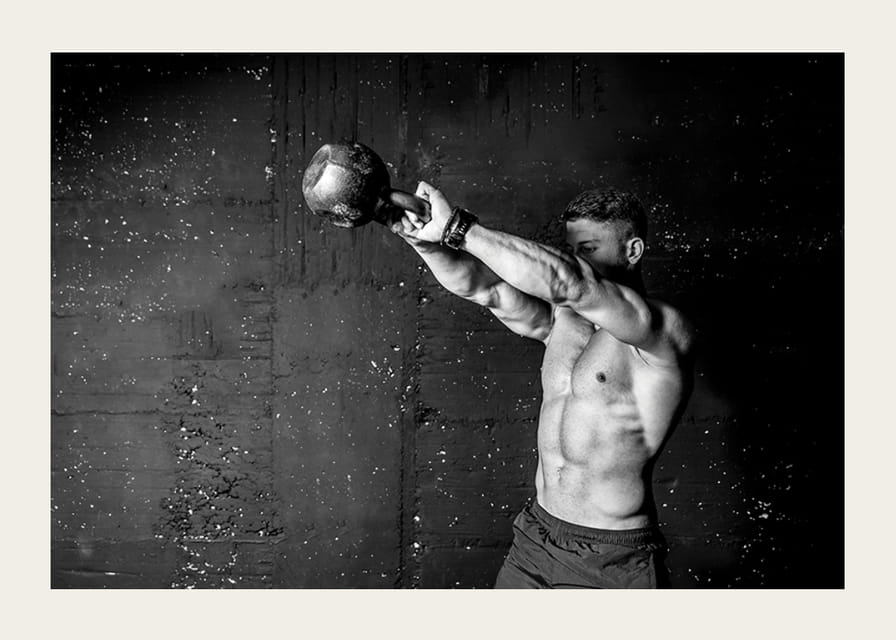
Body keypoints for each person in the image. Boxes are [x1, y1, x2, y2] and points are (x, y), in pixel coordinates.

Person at [388, 182, 696, 589]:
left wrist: (458, 228)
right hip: (536, 537)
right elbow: (486, 290)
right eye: (571, 250)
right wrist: (424, 241)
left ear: (632, 251)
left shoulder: (661, 333)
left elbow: (574, 283)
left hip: (611, 556)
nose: (575, 260)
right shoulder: (564, 321)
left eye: (588, 249)